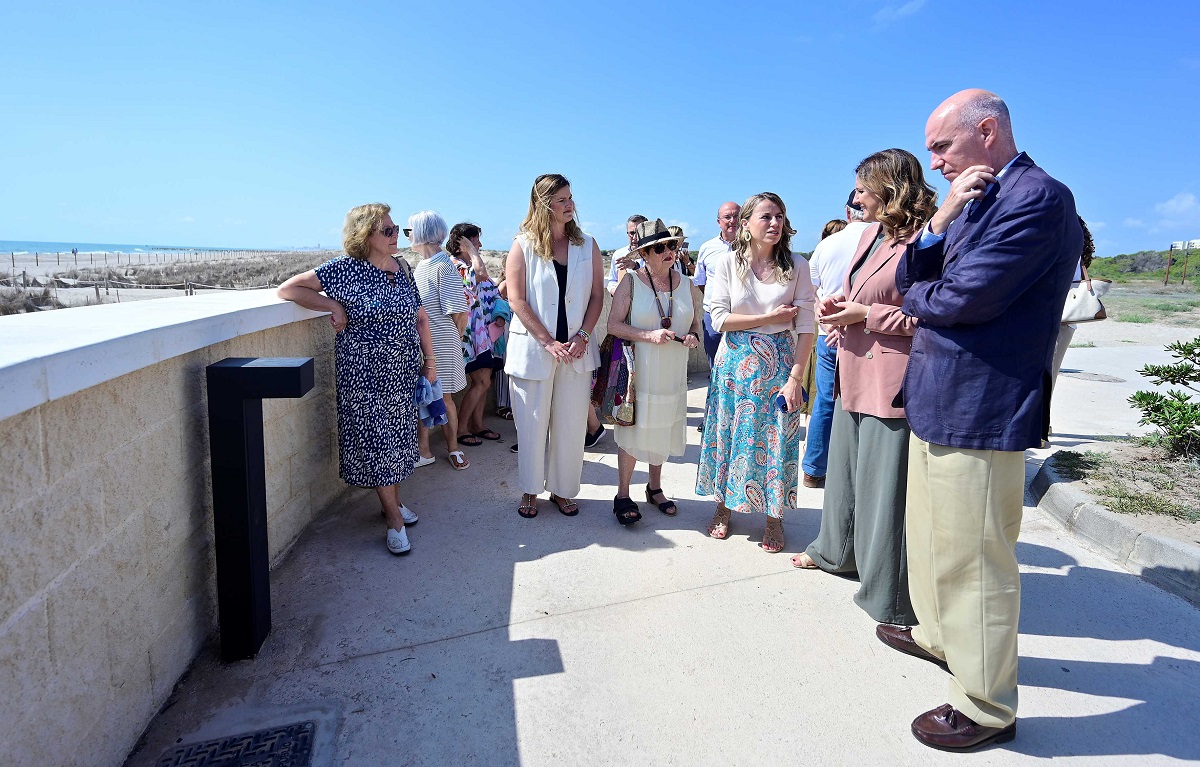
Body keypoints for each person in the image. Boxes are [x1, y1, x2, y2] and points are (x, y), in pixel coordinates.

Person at [884, 89, 1082, 751]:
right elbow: (916, 270)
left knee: (977, 561)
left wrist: (919, 298)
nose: (933, 159)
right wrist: (939, 220)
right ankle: (942, 637)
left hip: (981, 403)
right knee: (936, 539)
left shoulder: (1038, 198)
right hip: (941, 395)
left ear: (988, 129)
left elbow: (961, 297)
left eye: (941, 145)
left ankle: (986, 703)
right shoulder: (975, 197)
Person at [792, 149, 939, 635]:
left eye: (862, 188)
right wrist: (842, 308)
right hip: (854, 368)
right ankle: (835, 552)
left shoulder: (928, 238)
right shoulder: (871, 235)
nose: (855, 199)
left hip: (892, 380)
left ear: (890, 188)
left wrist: (864, 316)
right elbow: (863, 294)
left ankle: (889, 595)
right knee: (848, 476)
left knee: (883, 491)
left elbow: (932, 316)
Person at [276, 203, 435, 555]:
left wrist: (429, 361)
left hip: (402, 373)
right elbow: (289, 290)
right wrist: (334, 307)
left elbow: (419, 315)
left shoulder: (403, 268)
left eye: (397, 230)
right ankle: (393, 519)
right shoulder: (345, 269)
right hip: (363, 375)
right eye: (388, 231)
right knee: (376, 444)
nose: (397, 236)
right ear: (366, 236)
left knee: (396, 442)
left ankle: (391, 503)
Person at [695, 192, 815, 553]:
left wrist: (796, 378)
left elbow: (807, 326)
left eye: (779, 216)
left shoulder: (797, 265)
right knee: (729, 434)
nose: (775, 223)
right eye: (766, 216)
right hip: (734, 365)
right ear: (746, 223)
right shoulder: (729, 264)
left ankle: (774, 518)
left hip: (779, 364)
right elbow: (719, 319)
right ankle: (723, 505)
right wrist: (771, 317)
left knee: (776, 439)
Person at [505, 173, 604, 518]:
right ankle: (530, 491)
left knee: (571, 426)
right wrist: (547, 342)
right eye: (562, 200)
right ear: (543, 205)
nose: (570, 205)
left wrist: (584, 337)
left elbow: (596, 296)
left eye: (571, 197)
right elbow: (516, 299)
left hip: (577, 353)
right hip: (534, 352)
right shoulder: (523, 244)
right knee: (531, 426)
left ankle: (562, 491)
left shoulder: (587, 244)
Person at [606, 219, 703, 523]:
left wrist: (693, 337)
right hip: (640, 371)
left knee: (663, 426)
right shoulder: (631, 281)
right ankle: (622, 494)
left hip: (672, 371)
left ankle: (655, 488)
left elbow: (696, 324)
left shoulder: (687, 284)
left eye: (672, 245)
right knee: (634, 428)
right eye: (659, 248)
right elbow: (613, 325)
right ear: (644, 254)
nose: (668, 251)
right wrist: (648, 335)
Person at [800, 192, 871, 489]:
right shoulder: (881, 241)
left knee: (825, 401)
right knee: (867, 406)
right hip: (867, 333)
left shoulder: (827, 245)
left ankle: (814, 469)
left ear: (847, 211)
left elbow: (810, 288)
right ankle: (858, 472)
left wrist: (823, 315)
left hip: (827, 334)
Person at [409, 211, 471, 471]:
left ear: (422, 233)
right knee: (426, 396)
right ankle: (425, 450)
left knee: (442, 397)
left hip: (442, 342)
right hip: (426, 342)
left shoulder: (443, 265)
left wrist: (453, 342)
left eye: (409, 230)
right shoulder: (422, 266)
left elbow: (460, 312)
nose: (408, 236)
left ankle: (453, 449)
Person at [446, 222, 503, 446]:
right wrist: (471, 249)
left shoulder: (467, 264)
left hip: (483, 336)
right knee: (480, 381)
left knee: (484, 381)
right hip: (467, 336)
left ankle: (477, 425)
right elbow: (480, 275)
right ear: (463, 244)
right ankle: (461, 429)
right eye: (475, 240)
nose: (479, 244)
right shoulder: (457, 266)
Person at [1050, 217, 1097, 389]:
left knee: (1043, 385)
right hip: (1067, 322)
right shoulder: (1074, 244)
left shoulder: (1061, 244)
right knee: (1048, 383)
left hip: (1056, 319)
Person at [694, 201, 740, 369]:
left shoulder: (753, 248)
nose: (732, 220)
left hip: (743, 316)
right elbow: (701, 282)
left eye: (737, 216)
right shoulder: (707, 248)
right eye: (727, 217)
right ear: (718, 221)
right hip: (713, 317)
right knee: (715, 367)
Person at [606, 215, 649, 296]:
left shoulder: (654, 254)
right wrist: (614, 290)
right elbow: (612, 280)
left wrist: (635, 266)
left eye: (639, 233)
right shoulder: (618, 254)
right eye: (632, 233)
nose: (635, 237)